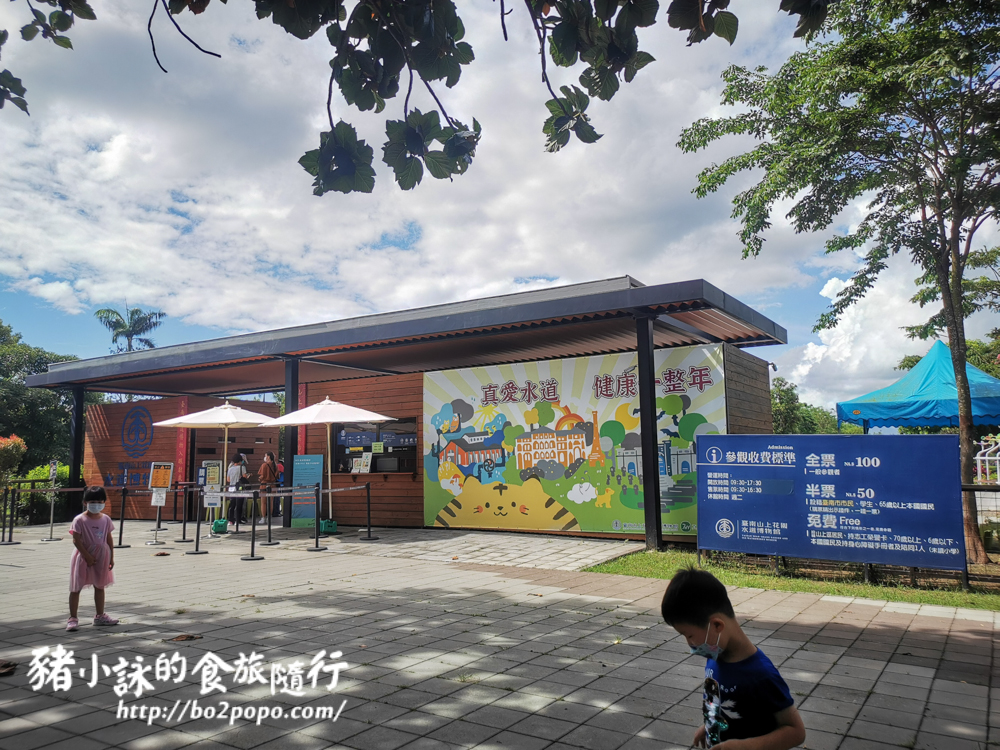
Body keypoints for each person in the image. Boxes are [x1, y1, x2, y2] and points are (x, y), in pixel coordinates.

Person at [661, 567, 805, 749]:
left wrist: (745, 747)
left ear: (717, 625)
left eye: (689, 635)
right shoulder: (715, 657)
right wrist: (708, 727)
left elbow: (796, 732)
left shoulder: (760, 675)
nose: (689, 643)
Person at [67, 487, 118, 631]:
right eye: (93, 502)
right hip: (83, 556)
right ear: (85, 502)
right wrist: (87, 556)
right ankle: (72, 618)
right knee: (76, 587)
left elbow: (108, 538)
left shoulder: (106, 519)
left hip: (102, 555)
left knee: (100, 585)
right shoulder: (79, 520)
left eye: (100, 502)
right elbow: (76, 540)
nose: (96, 504)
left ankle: (100, 616)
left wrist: (111, 557)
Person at [227, 452, 249, 523]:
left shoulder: (230, 469)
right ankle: (238, 519)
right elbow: (244, 477)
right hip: (239, 488)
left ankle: (231, 520)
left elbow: (228, 480)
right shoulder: (242, 467)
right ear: (240, 461)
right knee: (239, 504)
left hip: (231, 488)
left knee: (232, 504)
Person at [259, 451, 279, 517]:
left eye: (265, 456)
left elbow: (262, 476)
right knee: (271, 502)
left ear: (268, 457)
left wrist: (259, 479)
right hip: (273, 485)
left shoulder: (264, 465)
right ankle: (269, 517)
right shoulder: (275, 466)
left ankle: (263, 517)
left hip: (264, 485)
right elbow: (277, 476)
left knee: (263, 503)